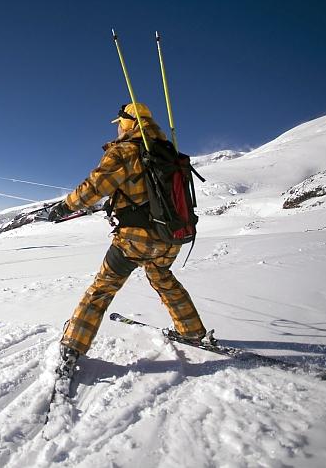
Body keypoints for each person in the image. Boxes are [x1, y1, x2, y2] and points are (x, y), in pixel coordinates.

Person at [48, 103, 207, 377]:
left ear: (129, 123)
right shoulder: (169, 155)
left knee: (102, 288)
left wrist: (65, 207)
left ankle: (72, 348)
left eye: (120, 123)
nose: (119, 128)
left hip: (135, 239)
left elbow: (95, 187)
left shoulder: (125, 151)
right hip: (171, 238)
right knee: (164, 279)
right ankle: (192, 332)